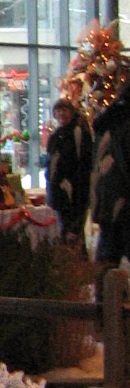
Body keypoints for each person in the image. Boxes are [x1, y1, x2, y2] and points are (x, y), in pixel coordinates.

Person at [90, 84, 130, 263]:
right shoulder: (123, 125)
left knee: (108, 253)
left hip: (109, 197)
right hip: (121, 197)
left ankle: (104, 288)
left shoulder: (109, 121)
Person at [45, 98, 92, 241]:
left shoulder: (78, 133)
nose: (61, 114)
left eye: (65, 110)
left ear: (71, 112)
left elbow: (84, 163)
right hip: (60, 193)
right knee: (65, 231)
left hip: (75, 193)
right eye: (58, 111)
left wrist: (75, 186)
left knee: (73, 231)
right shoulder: (56, 136)